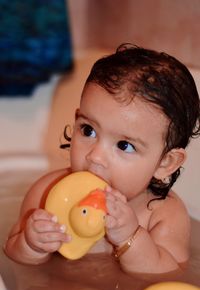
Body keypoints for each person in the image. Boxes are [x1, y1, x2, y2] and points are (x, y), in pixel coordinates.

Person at [4, 44, 200, 278]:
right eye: (88, 130)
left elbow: (170, 275)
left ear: (165, 163)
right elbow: (12, 255)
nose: (95, 156)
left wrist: (130, 237)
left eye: (124, 145)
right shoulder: (47, 193)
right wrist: (31, 244)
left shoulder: (163, 214)